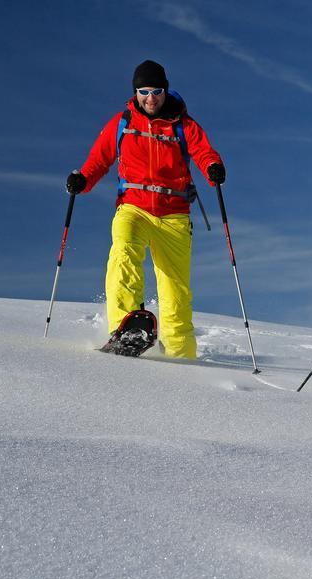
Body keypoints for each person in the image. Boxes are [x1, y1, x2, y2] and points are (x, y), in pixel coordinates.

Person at [67, 60, 225, 359]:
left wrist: (213, 167)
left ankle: (182, 357)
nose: (150, 98)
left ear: (165, 91)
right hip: (133, 208)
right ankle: (125, 329)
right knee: (123, 253)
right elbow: (99, 159)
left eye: (156, 91)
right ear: (135, 92)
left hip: (174, 213)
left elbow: (204, 151)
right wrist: (82, 179)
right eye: (144, 91)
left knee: (175, 290)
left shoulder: (183, 124)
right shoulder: (123, 123)